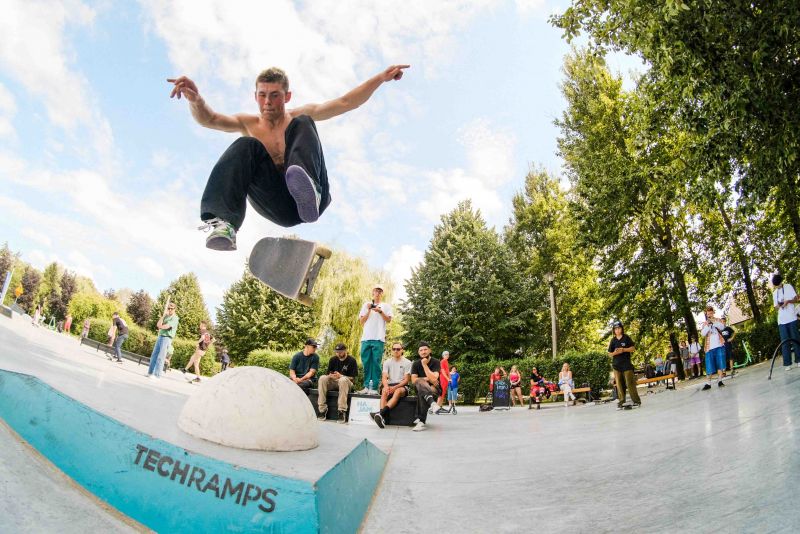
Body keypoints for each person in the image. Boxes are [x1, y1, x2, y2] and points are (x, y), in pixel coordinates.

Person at [168, 65, 409, 251]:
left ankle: (309, 189)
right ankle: (224, 224)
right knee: (246, 144)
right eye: (262, 95)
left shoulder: (298, 115)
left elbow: (345, 102)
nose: (268, 102)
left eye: (275, 95)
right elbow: (210, 119)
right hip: (278, 206)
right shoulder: (247, 123)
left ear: (287, 96)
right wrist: (195, 99)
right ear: (255, 96)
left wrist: (380, 78)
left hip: (315, 203)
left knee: (303, 120)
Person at [358, 284, 392, 394]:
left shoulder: (385, 306)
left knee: (376, 363)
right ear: (372, 292)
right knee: (366, 362)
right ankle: (367, 386)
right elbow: (361, 322)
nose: (377, 293)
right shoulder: (366, 305)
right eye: (376, 291)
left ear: (382, 293)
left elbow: (388, 320)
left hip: (378, 338)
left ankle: (374, 388)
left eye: (380, 291)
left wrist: (380, 311)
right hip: (366, 338)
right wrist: (369, 310)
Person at [371, 341, 412, 428]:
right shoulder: (387, 362)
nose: (396, 351)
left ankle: (380, 413)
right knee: (384, 391)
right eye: (394, 349)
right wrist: (386, 386)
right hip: (390, 384)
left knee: (397, 391)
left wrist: (395, 387)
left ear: (402, 350)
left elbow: (406, 380)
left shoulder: (407, 362)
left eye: (398, 349)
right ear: (392, 350)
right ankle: (383, 418)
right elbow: (384, 377)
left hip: (402, 386)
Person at [317, 343, 358, 424]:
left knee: (342, 380)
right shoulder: (333, 359)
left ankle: (341, 411)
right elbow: (328, 373)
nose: (338, 354)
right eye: (337, 352)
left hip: (346, 383)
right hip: (334, 382)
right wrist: (331, 376)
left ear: (345, 351)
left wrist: (341, 376)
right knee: (322, 378)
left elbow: (353, 378)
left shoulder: (352, 360)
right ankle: (322, 409)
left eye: (340, 352)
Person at [608, 320, 641, 409]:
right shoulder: (613, 340)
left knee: (630, 383)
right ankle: (621, 402)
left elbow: (633, 348)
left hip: (626, 364)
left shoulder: (626, 338)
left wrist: (624, 350)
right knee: (619, 384)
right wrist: (615, 353)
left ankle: (636, 401)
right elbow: (609, 354)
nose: (617, 330)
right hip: (616, 366)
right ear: (614, 330)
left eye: (619, 328)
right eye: (616, 329)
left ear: (622, 329)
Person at [410, 342, 442, 432]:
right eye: (421, 350)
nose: (423, 352)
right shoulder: (416, 364)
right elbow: (413, 380)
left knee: (422, 392)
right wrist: (428, 379)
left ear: (430, 350)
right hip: (421, 387)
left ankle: (421, 422)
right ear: (418, 352)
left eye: (425, 349)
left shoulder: (436, 362)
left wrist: (424, 365)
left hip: (434, 389)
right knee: (420, 382)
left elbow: (435, 378)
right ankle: (432, 403)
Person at [772, 274, 800, 371]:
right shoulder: (774, 293)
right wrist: (779, 306)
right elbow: (775, 307)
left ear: (781, 282)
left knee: (795, 339)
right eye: (776, 285)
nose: (778, 286)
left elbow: (797, 299)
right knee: (784, 343)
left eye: (778, 284)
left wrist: (788, 301)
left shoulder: (788, 286)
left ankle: (799, 360)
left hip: (792, 317)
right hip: (781, 321)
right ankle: (787, 364)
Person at [147, 303, 179, 379]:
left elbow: (167, 326)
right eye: (169, 308)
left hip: (167, 338)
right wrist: (164, 315)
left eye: (172, 308)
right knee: (154, 355)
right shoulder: (166, 317)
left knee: (161, 357)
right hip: (160, 336)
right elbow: (158, 324)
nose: (170, 310)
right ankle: (150, 373)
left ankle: (157, 375)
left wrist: (161, 327)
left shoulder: (175, 318)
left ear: (175, 309)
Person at [700, 305, 726, 390]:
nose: (710, 313)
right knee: (709, 366)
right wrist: (708, 325)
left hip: (719, 345)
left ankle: (720, 380)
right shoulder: (704, 324)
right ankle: (708, 383)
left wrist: (714, 322)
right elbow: (703, 334)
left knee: (720, 364)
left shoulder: (718, 320)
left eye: (711, 312)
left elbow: (722, 327)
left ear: (713, 312)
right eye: (708, 312)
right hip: (709, 348)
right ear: (706, 314)